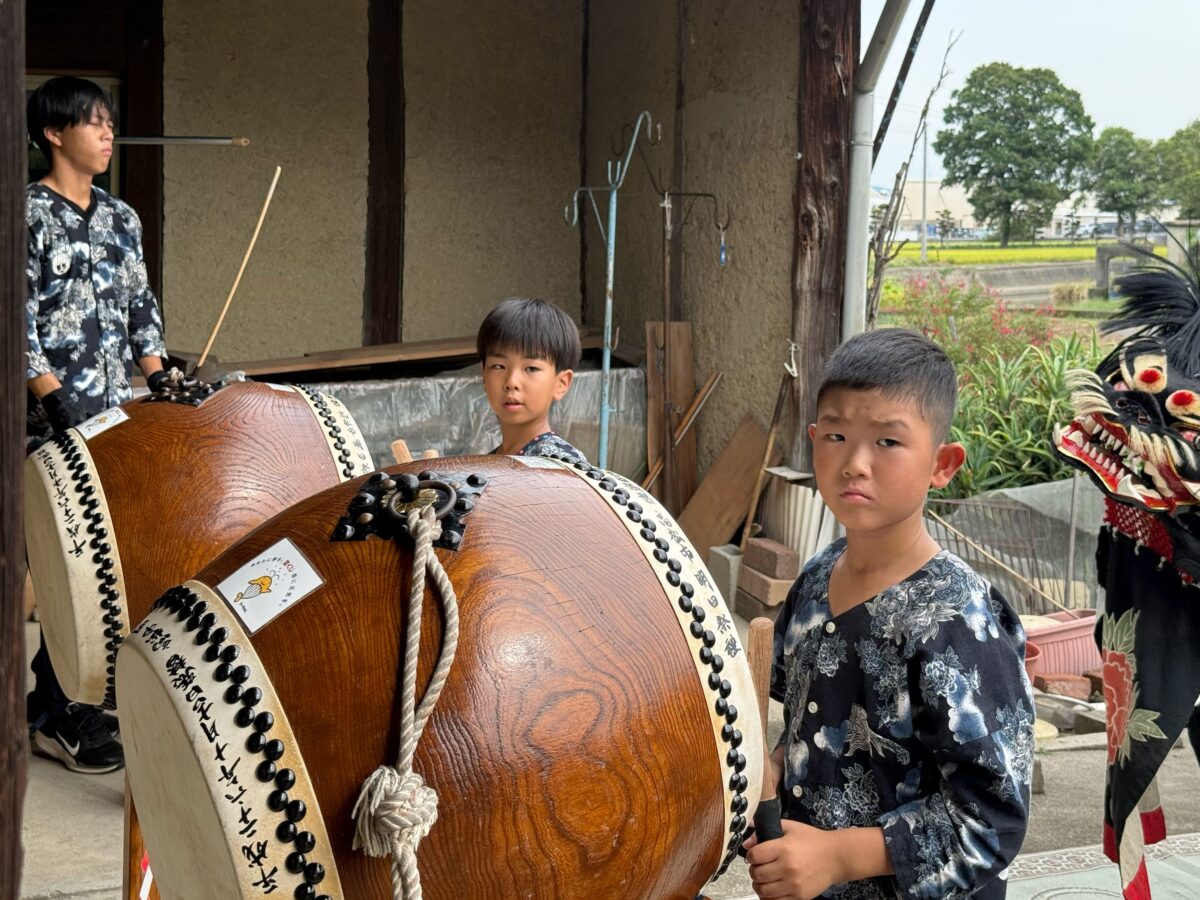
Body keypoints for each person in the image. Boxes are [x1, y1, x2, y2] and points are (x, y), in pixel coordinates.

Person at [744, 329, 1033, 899]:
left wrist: (838, 856)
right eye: (836, 435)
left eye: (888, 442)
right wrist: (773, 765)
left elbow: (992, 820)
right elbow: (804, 725)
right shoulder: (815, 581)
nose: (854, 463)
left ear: (942, 464)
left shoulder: (960, 621)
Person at [25, 76, 169, 773]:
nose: (108, 135)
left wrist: (161, 373)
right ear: (55, 132)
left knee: (93, 568)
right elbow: (13, 317)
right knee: (51, 568)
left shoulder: (122, 218)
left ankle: (66, 710)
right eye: (95, 123)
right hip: (43, 425)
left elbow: (142, 308)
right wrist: (52, 397)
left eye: (111, 123)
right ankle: (56, 713)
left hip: (113, 420)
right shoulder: (24, 213)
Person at [476, 297, 587, 465]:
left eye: (531, 369)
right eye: (499, 366)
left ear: (561, 383)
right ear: (484, 375)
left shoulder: (560, 465)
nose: (511, 382)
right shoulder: (489, 462)